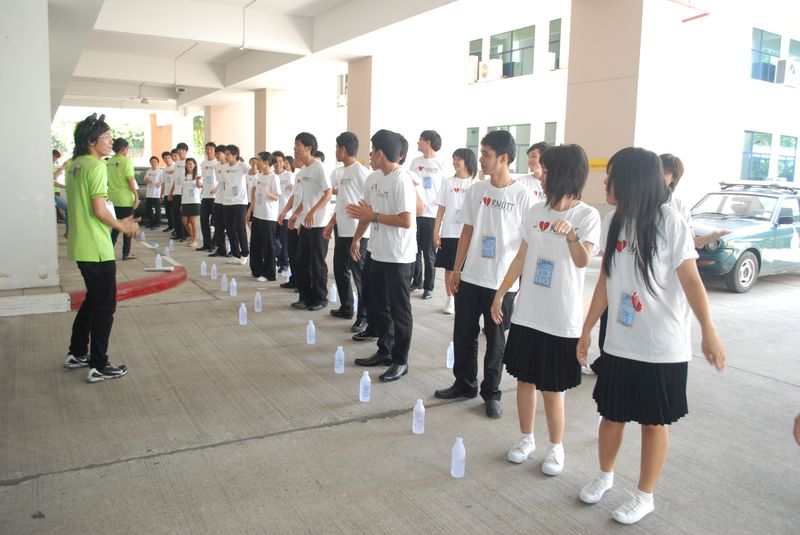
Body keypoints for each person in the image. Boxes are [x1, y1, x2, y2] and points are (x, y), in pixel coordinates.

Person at [576, 147, 725, 525]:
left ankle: (644, 496)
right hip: (620, 342)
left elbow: (691, 281)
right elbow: (606, 280)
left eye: (612, 177)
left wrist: (708, 331)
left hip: (661, 347)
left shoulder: (670, 223)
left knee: (652, 423)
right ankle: (604, 476)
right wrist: (587, 328)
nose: (606, 183)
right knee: (611, 416)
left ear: (633, 181)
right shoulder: (614, 221)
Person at [491, 144, 601, 476]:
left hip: (560, 318)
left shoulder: (586, 215)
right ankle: (526, 438)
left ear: (565, 174)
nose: (540, 175)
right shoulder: (536, 211)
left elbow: (583, 261)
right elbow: (521, 257)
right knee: (524, 381)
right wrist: (501, 292)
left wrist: (572, 236)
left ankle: (556, 447)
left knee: (553, 388)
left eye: (547, 171)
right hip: (528, 313)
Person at [433, 130, 534, 419]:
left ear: (504, 158)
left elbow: (526, 244)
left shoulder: (523, 196)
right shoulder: (476, 191)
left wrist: (512, 284)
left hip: (501, 283)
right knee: (464, 334)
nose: (481, 159)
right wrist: (457, 269)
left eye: (486, 154)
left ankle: (492, 393)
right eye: (481, 153)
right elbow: (467, 231)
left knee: (496, 341)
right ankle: (464, 383)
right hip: (471, 277)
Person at [63, 113, 139, 382]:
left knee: (93, 299)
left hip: (81, 245)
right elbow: (99, 209)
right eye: (106, 137)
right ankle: (98, 364)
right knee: (105, 305)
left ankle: (77, 352)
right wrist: (122, 225)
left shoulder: (74, 166)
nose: (111, 141)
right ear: (91, 141)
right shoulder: (96, 167)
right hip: (96, 247)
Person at [348, 129, 417, 382]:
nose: (370, 154)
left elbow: (406, 220)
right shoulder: (373, 179)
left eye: (372, 150)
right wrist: (357, 238)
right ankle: (385, 350)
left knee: (399, 311)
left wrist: (373, 216)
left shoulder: (402, 180)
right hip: (376, 252)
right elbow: (366, 214)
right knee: (377, 305)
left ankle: (400, 361)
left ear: (380, 153)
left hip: (399, 257)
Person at [324, 132, 370, 331]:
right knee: (340, 270)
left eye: (336, 147)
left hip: (357, 233)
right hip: (341, 230)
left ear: (343, 149)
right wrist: (330, 223)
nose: (335, 151)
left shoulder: (361, 172)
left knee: (360, 277)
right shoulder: (342, 172)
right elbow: (341, 203)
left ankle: (364, 317)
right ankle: (346, 307)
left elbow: (369, 204)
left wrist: (359, 236)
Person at [288, 133, 332, 311]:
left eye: (297, 144)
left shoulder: (319, 168)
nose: (295, 148)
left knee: (317, 263)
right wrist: (296, 214)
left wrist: (313, 211)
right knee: (301, 261)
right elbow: (305, 199)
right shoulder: (304, 170)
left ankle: (320, 299)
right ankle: (305, 297)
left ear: (308, 148)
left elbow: (328, 193)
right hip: (305, 223)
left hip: (319, 224)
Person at [434, 148, 478, 314]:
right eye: (454, 158)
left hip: (469, 234)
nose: (455, 162)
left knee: (467, 268)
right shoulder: (448, 182)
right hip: (449, 232)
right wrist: (436, 231)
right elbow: (441, 209)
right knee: (449, 268)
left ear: (467, 161)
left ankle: (463, 299)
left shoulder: (476, 184)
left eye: (458, 159)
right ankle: (450, 298)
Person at [660, 153, 729, 248]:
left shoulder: (679, 207)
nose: (660, 176)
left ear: (674, 178)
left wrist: (711, 237)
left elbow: (689, 242)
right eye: (658, 172)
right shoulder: (640, 201)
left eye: (665, 173)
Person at [408, 130, 445, 299]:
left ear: (428, 142)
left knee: (429, 254)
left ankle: (428, 287)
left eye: (420, 140)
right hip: (416, 213)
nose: (418, 142)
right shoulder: (415, 162)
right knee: (414, 250)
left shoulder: (442, 163)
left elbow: (444, 191)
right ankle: (417, 281)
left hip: (432, 215)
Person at [247, 151, 280, 281]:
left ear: (266, 162)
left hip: (268, 216)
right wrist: (250, 211)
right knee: (256, 244)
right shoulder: (259, 176)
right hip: (257, 214)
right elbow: (255, 196)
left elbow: (277, 197)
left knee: (268, 246)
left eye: (259, 160)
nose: (257, 163)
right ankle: (256, 270)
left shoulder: (274, 177)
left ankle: (269, 273)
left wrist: (267, 193)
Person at [107, 137, 139, 260]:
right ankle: (126, 253)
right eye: (127, 148)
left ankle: (108, 251)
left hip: (113, 198)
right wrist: (136, 195)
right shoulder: (126, 161)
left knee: (116, 226)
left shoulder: (108, 162)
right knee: (127, 225)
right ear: (123, 148)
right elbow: (130, 179)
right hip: (125, 199)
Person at [222, 144, 250, 264]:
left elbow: (252, 172)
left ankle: (245, 253)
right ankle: (235, 253)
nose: (226, 156)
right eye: (225, 154)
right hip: (227, 201)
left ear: (235, 155)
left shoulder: (242, 166)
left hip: (240, 202)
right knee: (229, 228)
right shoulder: (224, 167)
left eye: (228, 154)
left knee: (240, 227)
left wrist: (254, 165)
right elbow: (224, 183)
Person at [273, 151, 293, 274]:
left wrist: (293, 186)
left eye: (280, 161)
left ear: (284, 162)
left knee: (284, 240)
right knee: (272, 239)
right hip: (272, 213)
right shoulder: (271, 176)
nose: (278, 164)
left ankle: (284, 262)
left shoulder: (289, 176)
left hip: (285, 213)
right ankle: (279, 257)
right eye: (275, 162)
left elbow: (295, 191)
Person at [198, 142, 219, 251]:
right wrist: (199, 183)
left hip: (215, 197)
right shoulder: (203, 163)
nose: (209, 151)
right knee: (203, 220)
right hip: (205, 196)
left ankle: (214, 243)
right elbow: (202, 178)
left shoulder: (218, 163)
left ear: (214, 151)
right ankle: (206, 243)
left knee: (216, 222)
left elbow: (222, 179)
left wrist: (216, 189)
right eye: (207, 149)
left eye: (211, 149)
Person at [209, 144, 228, 257]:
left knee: (230, 227)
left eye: (219, 153)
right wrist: (215, 190)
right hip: (219, 199)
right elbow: (220, 182)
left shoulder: (231, 166)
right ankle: (221, 249)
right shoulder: (217, 166)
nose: (217, 156)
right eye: (216, 153)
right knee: (218, 225)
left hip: (229, 201)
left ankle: (234, 250)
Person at [181, 157, 202, 247]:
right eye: (187, 164)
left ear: (194, 165)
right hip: (185, 201)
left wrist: (197, 180)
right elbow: (182, 189)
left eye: (190, 164)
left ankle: (195, 240)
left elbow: (199, 186)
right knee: (185, 221)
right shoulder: (184, 176)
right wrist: (181, 203)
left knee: (193, 221)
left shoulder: (197, 175)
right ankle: (192, 236)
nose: (188, 165)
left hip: (194, 201)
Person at [143, 155, 163, 229]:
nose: (153, 163)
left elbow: (163, 181)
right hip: (149, 193)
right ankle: (151, 223)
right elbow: (145, 181)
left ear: (158, 163)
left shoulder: (160, 171)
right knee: (148, 208)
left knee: (157, 209)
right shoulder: (148, 171)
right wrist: (147, 180)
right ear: (150, 163)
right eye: (152, 161)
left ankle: (157, 224)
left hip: (156, 194)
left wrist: (159, 183)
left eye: (155, 161)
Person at [52, 149, 69, 237]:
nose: (55, 159)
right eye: (55, 158)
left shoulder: (52, 165)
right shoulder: (49, 166)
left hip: (54, 192)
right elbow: (52, 180)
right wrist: (60, 170)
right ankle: (68, 232)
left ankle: (68, 231)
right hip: (52, 193)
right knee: (66, 208)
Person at [161, 151, 176, 233]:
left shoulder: (175, 167)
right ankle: (170, 226)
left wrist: (172, 192)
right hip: (166, 193)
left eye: (168, 158)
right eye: (165, 158)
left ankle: (176, 228)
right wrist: (161, 194)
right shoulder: (164, 170)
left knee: (174, 212)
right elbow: (163, 182)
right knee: (168, 211)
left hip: (174, 193)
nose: (167, 160)